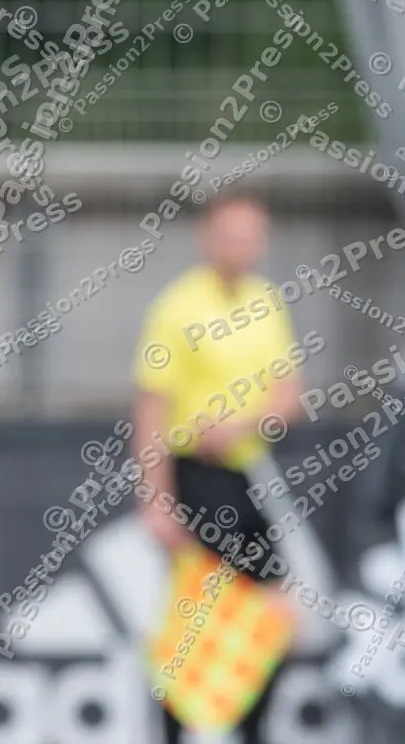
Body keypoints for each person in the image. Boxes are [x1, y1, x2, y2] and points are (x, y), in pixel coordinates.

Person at [131, 194, 307, 743]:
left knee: (239, 619)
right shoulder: (179, 305)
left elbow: (289, 397)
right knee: (238, 610)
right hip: (197, 478)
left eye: (252, 236)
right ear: (208, 238)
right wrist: (155, 496)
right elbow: (151, 407)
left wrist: (241, 423)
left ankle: (241, 725)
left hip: (245, 476)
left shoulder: (267, 300)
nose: (241, 247)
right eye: (230, 235)